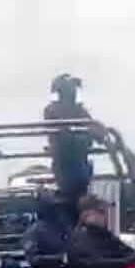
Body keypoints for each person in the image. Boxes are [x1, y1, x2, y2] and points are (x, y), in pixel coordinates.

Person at [43, 73, 95, 203]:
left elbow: (93, 134)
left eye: (72, 91)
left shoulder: (80, 111)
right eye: (67, 91)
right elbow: (61, 137)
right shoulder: (52, 111)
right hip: (65, 165)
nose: (72, 95)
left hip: (78, 165)